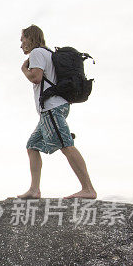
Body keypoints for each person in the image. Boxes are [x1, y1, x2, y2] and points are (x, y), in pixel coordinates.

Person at [17, 25, 96, 199]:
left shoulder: (37, 53)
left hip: (51, 108)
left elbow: (36, 77)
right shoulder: (48, 53)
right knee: (32, 145)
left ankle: (88, 189)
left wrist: (24, 69)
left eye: (22, 40)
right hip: (52, 108)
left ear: (30, 38)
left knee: (66, 145)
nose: (21, 44)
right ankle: (34, 190)